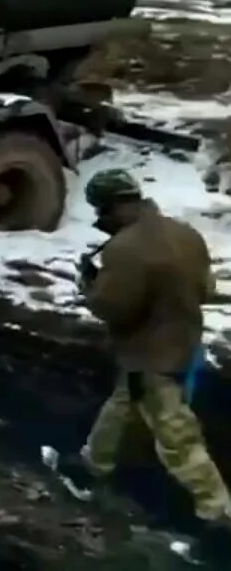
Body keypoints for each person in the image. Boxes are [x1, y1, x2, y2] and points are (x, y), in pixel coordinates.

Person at [77, 168, 231, 526]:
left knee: (177, 437)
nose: (100, 218)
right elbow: (204, 289)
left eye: (101, 210)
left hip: (151, 354)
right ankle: (94, 463)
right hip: (182, 341)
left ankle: (218, 508)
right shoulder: (185, 233)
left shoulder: (125, 248)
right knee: (122, 406)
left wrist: (91, 286)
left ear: (111, 206)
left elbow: (112, 308)